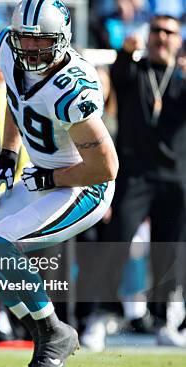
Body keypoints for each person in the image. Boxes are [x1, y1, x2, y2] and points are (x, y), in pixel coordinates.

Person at [0, 0, 118, 367]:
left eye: (40, 42)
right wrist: (7, 156)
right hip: (42, 175)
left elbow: (106, 166)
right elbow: (18, 100)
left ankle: (52, 333)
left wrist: (49, 179)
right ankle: (47, 332)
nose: (28, 50)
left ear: (61, 41)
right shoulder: (9, 55)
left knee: (0, 242)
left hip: (83, 185)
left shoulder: (71, 87)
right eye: (23, 40)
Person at [101, 14, 186, 347]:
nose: (161, 37)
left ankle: (165, 320)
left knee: (169, 250)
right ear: (147, 36)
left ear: (178, 41)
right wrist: (124, 52)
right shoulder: (134, 71)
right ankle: (102, 314)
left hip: (175, 177)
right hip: (135, 174)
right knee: (115, 241)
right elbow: (116, 78)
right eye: (156, 31)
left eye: (169, 33)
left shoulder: (181, 79)